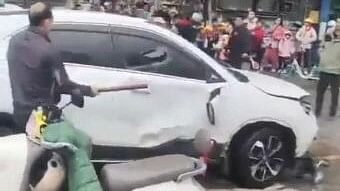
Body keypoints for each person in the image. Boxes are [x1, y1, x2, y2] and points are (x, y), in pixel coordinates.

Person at [7, 2, 98, 133]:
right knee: (41, 149)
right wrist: (89, 90)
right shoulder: (48, 49)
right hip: (40, 115)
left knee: (25, 146)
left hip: (19, 111)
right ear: (46, 21)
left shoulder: (14, 41)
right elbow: (63, 84)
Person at [315, 34, 340, 118]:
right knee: (334, 93)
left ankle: (317, 111)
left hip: (324, 70)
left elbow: (319, 54)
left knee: (320, 92)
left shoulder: (325, 43)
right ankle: (332, 112)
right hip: (336, 72)